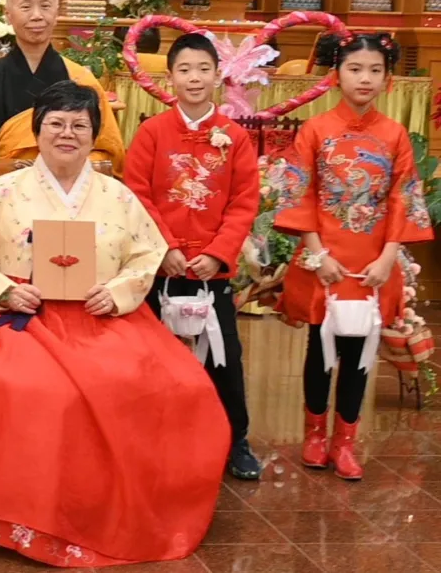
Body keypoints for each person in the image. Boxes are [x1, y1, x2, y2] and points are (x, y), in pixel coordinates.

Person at [0, 81, 230, 568]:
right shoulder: (2, 191)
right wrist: (5, 290)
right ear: (37, 132)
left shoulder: (117, 195)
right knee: (27, 386)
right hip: (24, 318)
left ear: (95, 135)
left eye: (79, 125)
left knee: (178, 384)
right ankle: (24, 514)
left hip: (102, 315)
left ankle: (117, 506)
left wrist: (116, 293)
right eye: (55, 123)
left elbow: (146, 254)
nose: (67, 133)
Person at [274, 34, 432, 481]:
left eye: (375, 70)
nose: (365, 78)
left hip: (373, 262)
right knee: (319, 349)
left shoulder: (394, 134)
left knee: (360, 351)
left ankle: (346, 441)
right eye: (355, 68)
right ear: (336, 74)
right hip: (324, 258)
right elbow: (297, 193)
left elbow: (404, 199)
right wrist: (316, 254)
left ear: (388, 78)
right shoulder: (315, 130)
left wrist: (389, 259)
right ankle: (314, 435)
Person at [124, 33, 263, 480]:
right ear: (171, 78)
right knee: (154, 357)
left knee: (225, 359)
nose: (195, 78)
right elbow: (138, 194)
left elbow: (244, 201)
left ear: (218, 74)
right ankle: (153, 438)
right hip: (162, 268)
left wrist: (219, 255)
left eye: (203, 68)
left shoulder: (236, 137)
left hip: (211, 272)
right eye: (184, 69)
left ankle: (234, 439)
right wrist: (164, 248)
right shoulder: (152, 132)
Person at [0, 0, 126, 244]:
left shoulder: (81, 80)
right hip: (4, 217)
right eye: (26, 6)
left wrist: (66, 174)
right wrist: (9, 182)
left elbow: (108, 155)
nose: (37, 15)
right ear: (9, 14)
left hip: (69, 210)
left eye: (46, 5)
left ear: (57, 12)